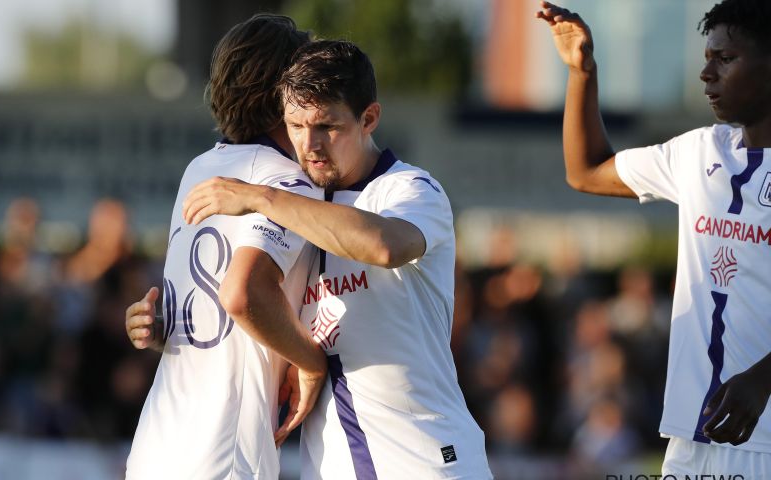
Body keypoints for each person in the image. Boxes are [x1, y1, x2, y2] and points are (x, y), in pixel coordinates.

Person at [183, 40, 493, 479]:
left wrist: (260, 196)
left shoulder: (411, 189)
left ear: (369, 118)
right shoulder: (295, 205)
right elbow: (242, 303)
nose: (309, 144)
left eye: (327, 126)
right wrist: (160, 321)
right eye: (295, 125)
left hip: (425, 460)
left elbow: (385, 246)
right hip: (333, 465)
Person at [536, 0, 771, 475]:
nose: (707, 73)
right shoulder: (700, 151)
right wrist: (583, 73)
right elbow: (586, 171)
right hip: (691, 436)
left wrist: (765, 377)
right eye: (707, 57)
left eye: (725, 59)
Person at [123, 14, 327, 479]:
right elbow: (242, 294)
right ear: (287, 94)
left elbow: (208, 316)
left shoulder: (200, 168)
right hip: (223, 455)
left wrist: (157, 327)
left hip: (157, 447)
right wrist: (309, 361)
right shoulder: (285, 180)